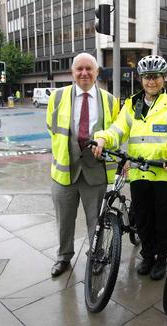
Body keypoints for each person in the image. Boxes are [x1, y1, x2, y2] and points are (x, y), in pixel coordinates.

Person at [92, 55, 167, 280]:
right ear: (141, 79)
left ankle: (161, 258)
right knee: (144, 219)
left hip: (166, 174)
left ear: (164, 78)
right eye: (148, 77)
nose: (152, 82)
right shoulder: (132, 104)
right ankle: (148, 256)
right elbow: (118, 130)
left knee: (164, 220)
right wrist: (102, 139)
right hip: (139, 173)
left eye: (156, 77)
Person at [47, 53, 120, 278]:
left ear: (97, 72)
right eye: (79, 69)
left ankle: (96, 255)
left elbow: (115, 133)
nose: (84, 73)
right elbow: (51, 126)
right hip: (64, 171)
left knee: (96, 222)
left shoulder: (110, 100)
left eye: (89, 68)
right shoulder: (57, 97)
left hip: (95, 172)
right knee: (64, 220)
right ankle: (63, 257)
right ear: (72, 72)